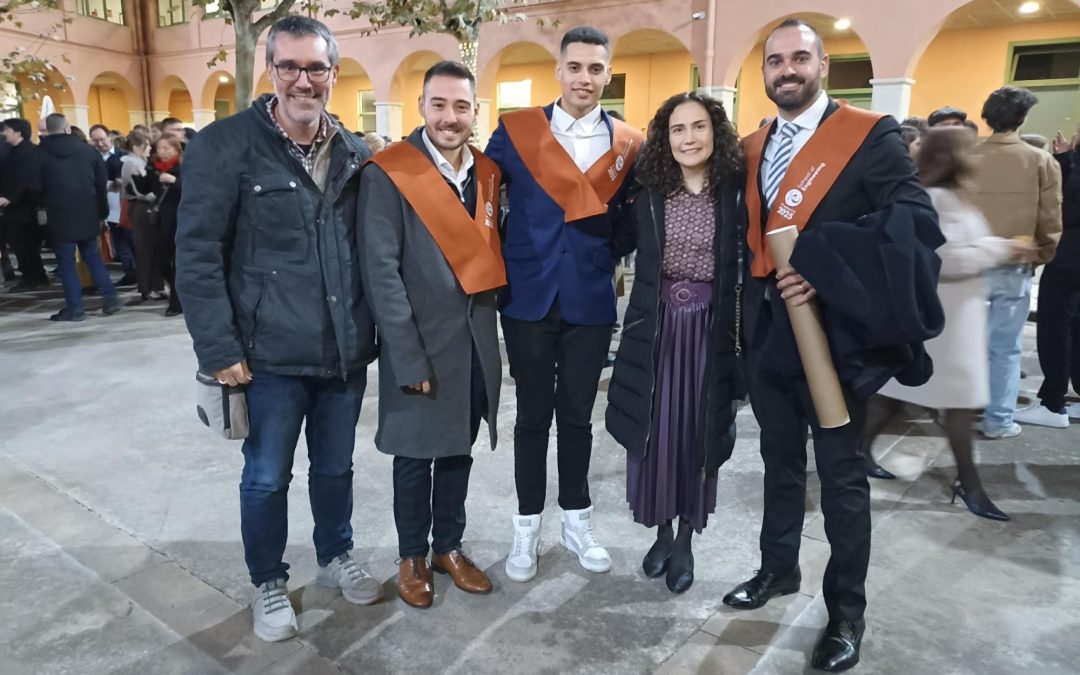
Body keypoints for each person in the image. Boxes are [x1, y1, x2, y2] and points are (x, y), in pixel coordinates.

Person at [721, 19, 940, 672]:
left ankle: (846, 612)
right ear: (763, 72)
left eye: (799, 58)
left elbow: (914, 220)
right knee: (779, 462)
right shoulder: (754, 143)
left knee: (842, 478)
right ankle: (777, 568)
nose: (787, 70)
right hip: (766, 330)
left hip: (832, 335)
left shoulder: (867, 134)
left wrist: (819, 256)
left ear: (823, 64)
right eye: (775, 61)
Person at [175, 15, 379, 643]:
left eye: (315, 68)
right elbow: (198, 253)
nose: (302, 80)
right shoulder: (224, 146)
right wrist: (218, 347)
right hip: (266, 358)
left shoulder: (356, 151)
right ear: (270, 70)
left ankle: (336, 553)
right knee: (266, 476)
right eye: (289, 66)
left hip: (342, 350)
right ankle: (267, 577)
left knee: (336, 468)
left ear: (333, 75)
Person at [485, 25, 644, 582]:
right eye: (575, 67)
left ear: (608, 73)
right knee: (531, 418)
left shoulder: (629, 144)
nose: (585, 78)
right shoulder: (515, 130)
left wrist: (601, 251)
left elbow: (632, 220)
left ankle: (577, 518)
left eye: (596, 68)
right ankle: (527, 525)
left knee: (577, 418)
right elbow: (484, 200)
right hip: (527, 296)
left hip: (590, 297)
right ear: (559, 69)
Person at [360, 60, 504, 609]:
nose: (450, 117)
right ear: (421, 107)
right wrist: (407, 357)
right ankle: (411, 555)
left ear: (474, 111)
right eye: (439, 104)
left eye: (461, 106)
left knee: (459, 451)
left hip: (474, 341)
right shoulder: (389, 173)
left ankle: (448, 545)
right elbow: (382, 273)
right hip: (418, 344)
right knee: (415, 457)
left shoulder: (487, 175)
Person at [605, 92, 744, 595]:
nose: (689, 138)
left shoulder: (735, 192)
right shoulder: (648, 192)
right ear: (665, 139)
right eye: (678, 129)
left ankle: (686, 538)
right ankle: (661, 531)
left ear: (716, 133)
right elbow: (609, 240)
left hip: (709, 331)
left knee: (696, 436)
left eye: (699, 127)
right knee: (656, 434)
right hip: (657, 329)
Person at [865, 128, 1031, 519]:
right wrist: (1001, 249)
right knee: (955, 404)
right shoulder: (936, 200)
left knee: (895, 396)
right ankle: (969, 485)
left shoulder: (946, 196)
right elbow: (945, 260)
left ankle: (861, 453)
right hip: (945, 324)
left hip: (952, 320)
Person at [969, 87, 1062, 435]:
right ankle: (998, 420)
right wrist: (1042, 254)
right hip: (1014, 262)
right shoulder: (1041, 161)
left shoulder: (966, 156)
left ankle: (959, 414)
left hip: (969, 264)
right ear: (1022, 118)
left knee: (964, 341)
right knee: (1005, 349)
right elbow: (1051, 218)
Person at [38, 113, 119, 321]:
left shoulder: (39, 153)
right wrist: (102, 211)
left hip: (58, 214)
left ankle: (75, 308)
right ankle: (110, 298)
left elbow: (34, 186)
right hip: (87, 211)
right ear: (66, 128)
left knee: (65, 263)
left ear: (48, 130)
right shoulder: (88, 151)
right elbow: (101, 183)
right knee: (92, 256)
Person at [1028, 129, 1080, 425]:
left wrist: (1062, 161)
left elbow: (1066, 206)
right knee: (1074, 325)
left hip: (1069, 259)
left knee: (1055, 329)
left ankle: (1052, 404)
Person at [0, 118, 48, 291]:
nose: (4, 133)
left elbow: (27, 180)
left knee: (25, 243)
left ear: (18, 132)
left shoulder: (29, 152)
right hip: (15, 207)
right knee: (19, 243)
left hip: (25, 207)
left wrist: (10, 198)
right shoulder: (13, 151)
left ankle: (34, 277)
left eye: (7, 130)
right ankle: (32, 275)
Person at [121, 130, 167, 302]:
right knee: (145, 249)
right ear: (137, 147)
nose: (150, 149)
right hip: (142, 208)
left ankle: (156, 285)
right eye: (147, 145)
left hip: (147, 206)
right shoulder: (132, 164)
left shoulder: (141, 162)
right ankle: (147, 287)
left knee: (154, 248)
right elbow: (138, 190)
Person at [90, 124, 135, 286]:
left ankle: (135, 270)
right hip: (104, 206)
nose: (100, 144)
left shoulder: (122, 156)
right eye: (95, 141)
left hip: (122, 204)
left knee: (129, 240)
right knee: (118, 241)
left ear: (109, 137)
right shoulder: (92, 157)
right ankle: (129, 271)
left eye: (102, 139)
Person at [146, 135, 184, 316]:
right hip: (160, 221)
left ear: (176, 150)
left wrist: (175, 181)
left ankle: (176, 303)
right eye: (160, 148)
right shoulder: (154, 168)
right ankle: (177, 293)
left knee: (177, 262)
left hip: (178, 220)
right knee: (161, 261)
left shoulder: (183, 167)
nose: (163, 152)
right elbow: (149, 189)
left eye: (168, 148)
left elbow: (193, 189)